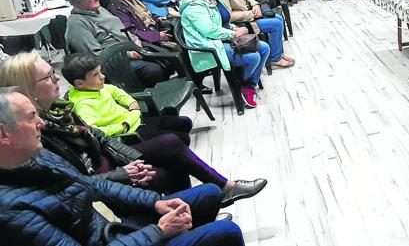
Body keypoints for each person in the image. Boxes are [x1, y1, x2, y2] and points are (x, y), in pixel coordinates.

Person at [0, 51, 268, 200]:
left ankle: (204, 205)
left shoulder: (60, 109)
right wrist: (124, 173)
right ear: (28, 89)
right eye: (49, 76)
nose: (57, 78)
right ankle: (213, 197)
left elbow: (101, 139)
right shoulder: (32, 131)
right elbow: (74, 182)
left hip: (110, 157)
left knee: (172, 149)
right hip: (98, 178)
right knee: (170, 154)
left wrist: (133, 162)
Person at [0, 87, 247, 246]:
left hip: (116, 228)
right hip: (116, 236)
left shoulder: (37, 155)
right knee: (227, 232)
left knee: (210, 193)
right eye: (31, 116)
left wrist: (154, 202)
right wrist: (158, 232)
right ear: (3, 134)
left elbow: (92, 183)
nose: (41, 122)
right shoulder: (9, 210)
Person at [181, 0, 270, 108]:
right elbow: (209, 30)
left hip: (224, 38)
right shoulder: (194, 5)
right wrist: (233, 33)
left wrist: (234, 29)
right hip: (210, 45)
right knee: (253, 57)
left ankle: (248, 84)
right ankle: (241, 85)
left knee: (264, 48)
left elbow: (224, 21)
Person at [64, 0, 171, 88]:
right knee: (154, 70)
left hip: (130, 48)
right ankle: (146, 100)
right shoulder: (76, 24)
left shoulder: (99, 10)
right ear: (77, 2)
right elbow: (95, 56)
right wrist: (128, 55)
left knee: (167, 58)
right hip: (112, 64)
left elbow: (121, 29)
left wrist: (135, 39)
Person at [211, 0, 295, 69]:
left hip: (252, 12)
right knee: (276, 24)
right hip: (244, 22)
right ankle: (275, 59)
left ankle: (279, 53)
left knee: (279, 18)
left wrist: (256, 5)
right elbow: (229, 15)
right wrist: (251, 13)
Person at [108, 0, 175, 47]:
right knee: (176, 46)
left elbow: (149, 14)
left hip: (153, 30)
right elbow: (132, 32)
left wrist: (160, 21)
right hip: (145, 41)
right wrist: (157, 36)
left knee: (176, 28)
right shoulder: (118, 8)